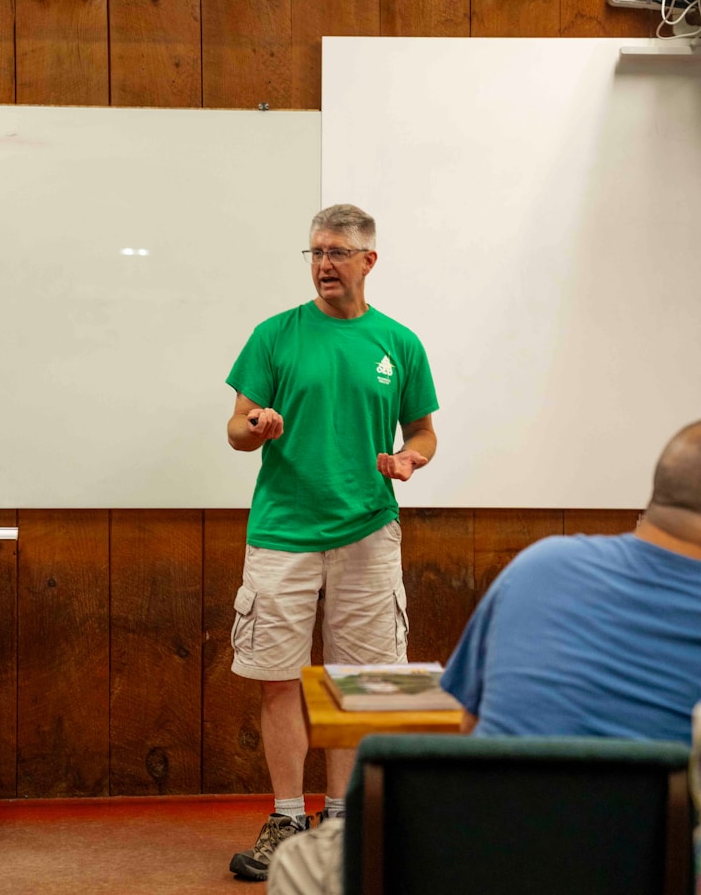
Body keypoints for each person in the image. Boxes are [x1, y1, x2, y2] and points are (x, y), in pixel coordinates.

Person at [268, 418, 701, 894]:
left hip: (469, 859)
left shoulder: (542, 566)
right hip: (635, 868)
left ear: (656, 494)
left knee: (298, 862)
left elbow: (467, 731)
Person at [225, 203, 438, 881]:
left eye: (337, 252)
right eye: (316, 252)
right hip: (283, 532)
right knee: (278, 680)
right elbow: (235, 427)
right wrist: (255, 424)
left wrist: (411, 457)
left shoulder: (399, 343)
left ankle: (343, 821)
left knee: (357, 687)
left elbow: (424, 430)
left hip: (368, 533)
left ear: (368, 261)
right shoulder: (275, 335)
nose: (323, 264)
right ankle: (288, 817)